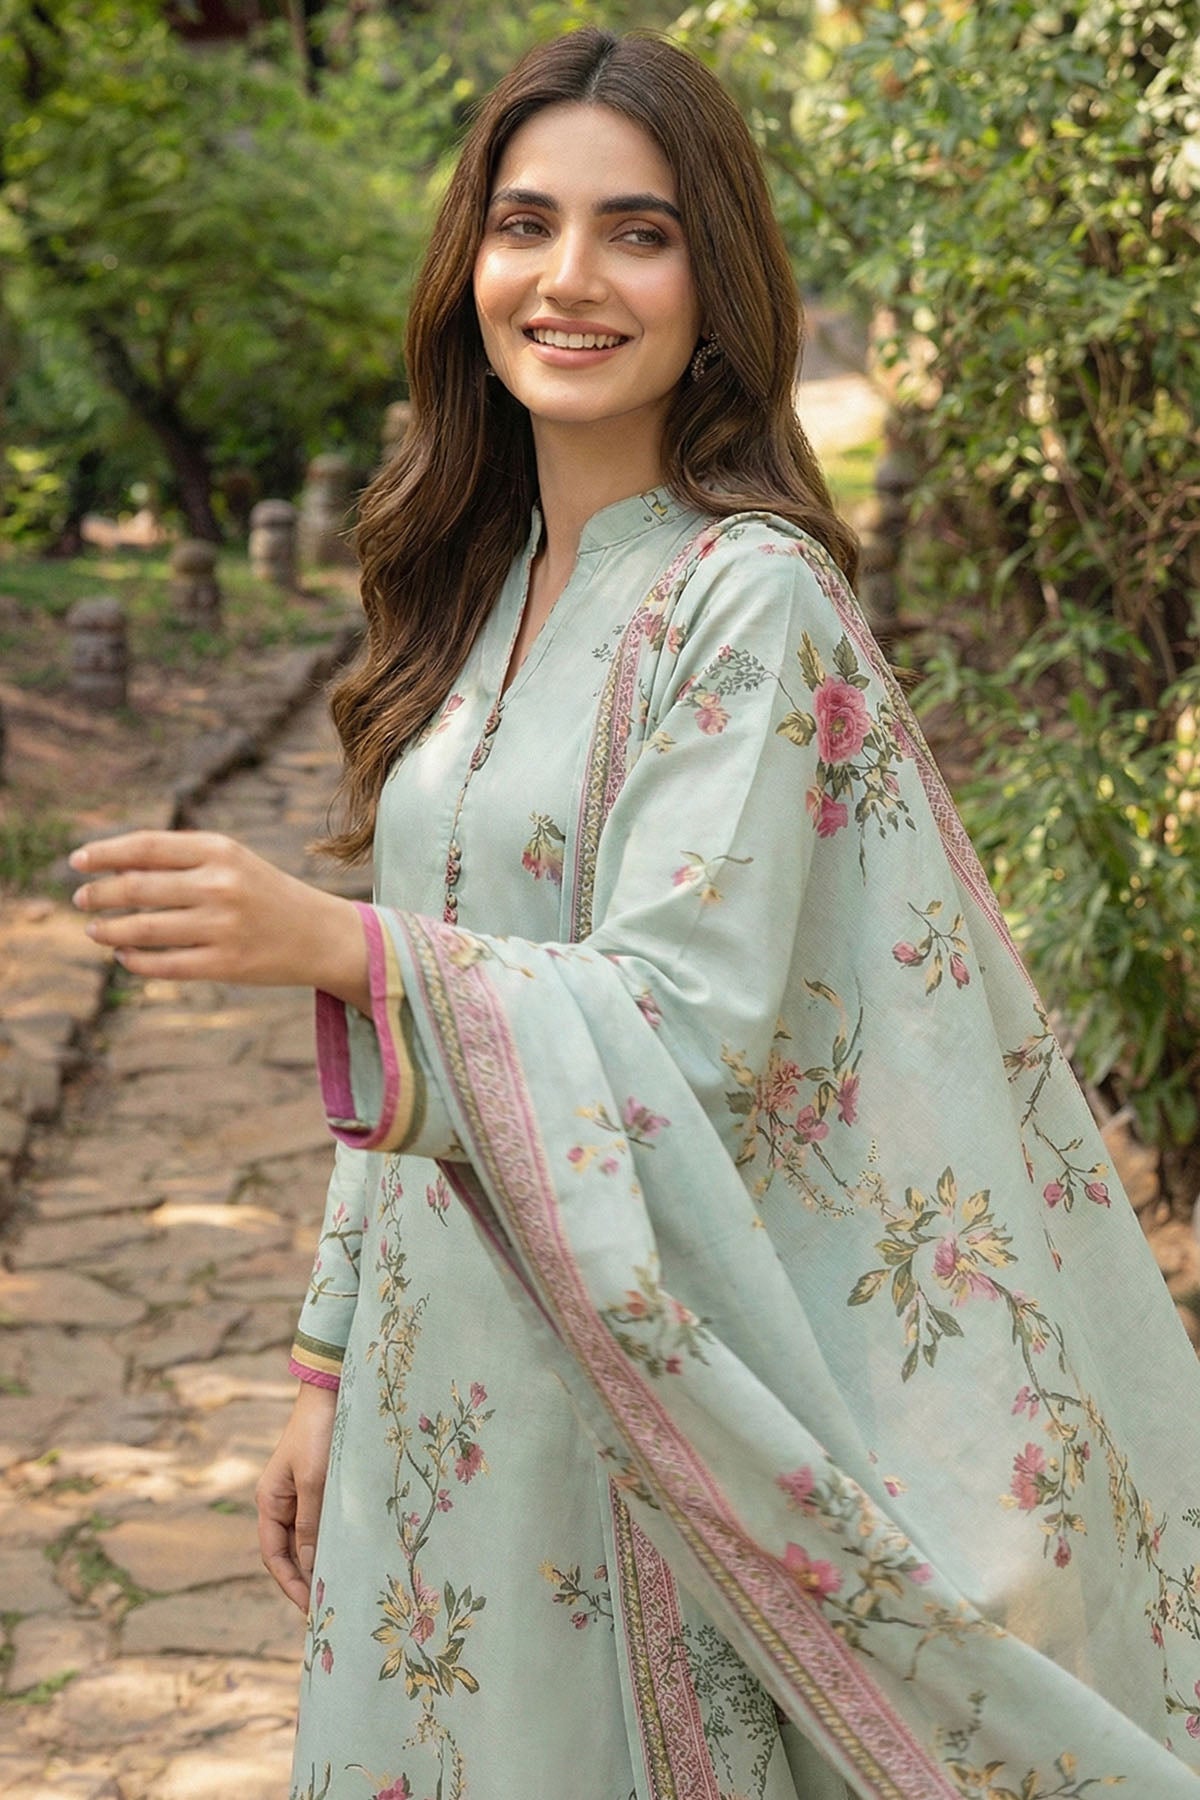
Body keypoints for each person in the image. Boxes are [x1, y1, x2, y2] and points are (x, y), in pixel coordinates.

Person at [69, 27, 1200, 1800]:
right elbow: (429, 1002)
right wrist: (323, 1363)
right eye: (526, 224)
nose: (570, 278)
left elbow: (689, 1019)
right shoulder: (479, 590)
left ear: (715, 288)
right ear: (469, 272)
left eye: (639, 232)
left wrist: (336, 945)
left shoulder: (747, 600)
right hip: (444, 1374)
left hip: (643, 1390)